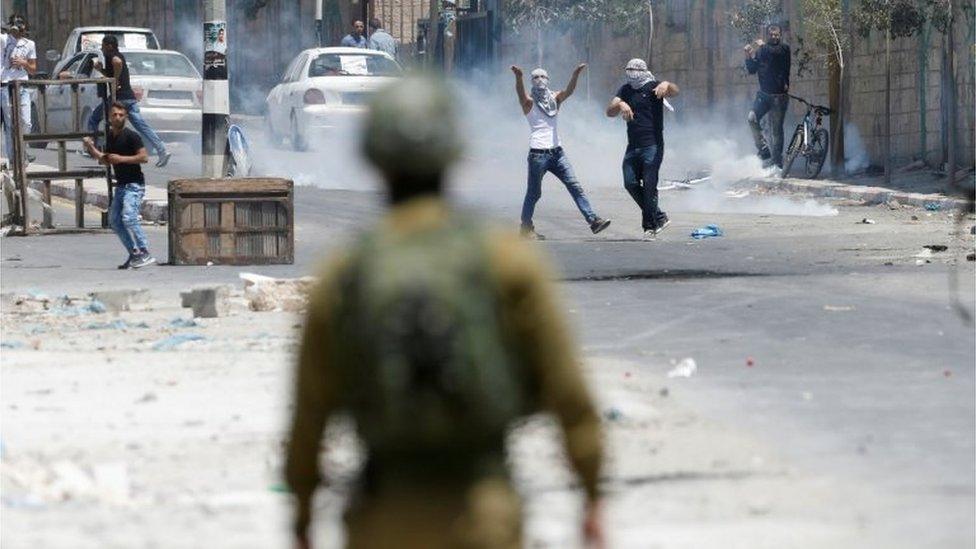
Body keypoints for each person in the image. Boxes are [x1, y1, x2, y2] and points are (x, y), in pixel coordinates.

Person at [285, 76, 605, 549]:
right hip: (484, 514)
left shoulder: (346, 272)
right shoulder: (506, 261)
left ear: (375, 160)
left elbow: (310, 415)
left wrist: (303, 516)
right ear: (454, 154)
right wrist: (593, 497)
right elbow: (569, 395)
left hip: (382, 520)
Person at [511, 64, 610, 240]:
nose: (540, 80)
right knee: (534, 193)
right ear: (532, 81)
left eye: (543, 77)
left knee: (574, 185)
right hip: (537, 155)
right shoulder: (529, 102)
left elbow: (569, 91)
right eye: (536, 77)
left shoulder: (554, 99)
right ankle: (525, 227)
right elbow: (520, 93)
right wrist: (518, 77)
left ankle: (593, 220)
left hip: (557, 153)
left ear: (548, 79)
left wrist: (575, 74)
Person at [606, 58, 679, 240]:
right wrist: (621, 104)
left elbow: (674, 92)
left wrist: (666, 83)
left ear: (643, 71)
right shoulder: (625, 90)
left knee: (649, 185)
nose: (631, 72)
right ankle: (660, 216)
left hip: (652, 145)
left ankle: (650, 227)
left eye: (634, 69)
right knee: (630, 182)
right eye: (628, 69)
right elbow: (609, 111)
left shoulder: (654, 87)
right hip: (633, 146)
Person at [83, 102, 156, 269]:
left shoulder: (132, 136)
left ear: (126, 117)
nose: (117, 117)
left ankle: (144, 252)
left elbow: (144, 158)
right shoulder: (111, 137)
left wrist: (121, 159)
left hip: (134, 185)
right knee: (115, 221)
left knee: (129, 217)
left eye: (121, 115)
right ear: (109, 118)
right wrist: (90, 147)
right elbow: (105, 159)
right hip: (122, 186)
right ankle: (134, 254)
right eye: (114, 115)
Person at [88, 35, 171, 168]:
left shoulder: (112, 55)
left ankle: (91, 148)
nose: (102, 49)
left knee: (94, 119)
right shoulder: (115, 55)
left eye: (103, 46)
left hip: (119, 99)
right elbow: (113, 71)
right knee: (141, 126)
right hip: (129, 98)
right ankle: (162, 150)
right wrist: (101, 70)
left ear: (109, 46)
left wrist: (115, 81)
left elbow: (117, 63)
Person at [744, 23, 790, 168]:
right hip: (763, 95)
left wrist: (763, 46)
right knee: (752, 119)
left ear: (780, 36)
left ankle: (777, 163)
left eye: (776, 35)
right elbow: (752, 69)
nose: (774, 37)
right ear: (768, 36)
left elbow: (775, 56)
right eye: (771, 35)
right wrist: (748, 56)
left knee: (777, 131)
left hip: (778, 96)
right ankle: (764, 150)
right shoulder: (763, 50)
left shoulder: (783, 49)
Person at [1, 14, 36, 164]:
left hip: (22, 85)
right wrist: (9, 29)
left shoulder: (29, 44)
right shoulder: (4, 40)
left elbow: (33, 69)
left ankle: (23, 151)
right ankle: (13, 159)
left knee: (26, 122)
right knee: (10, 124)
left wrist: (24, 63)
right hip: (6, 85)